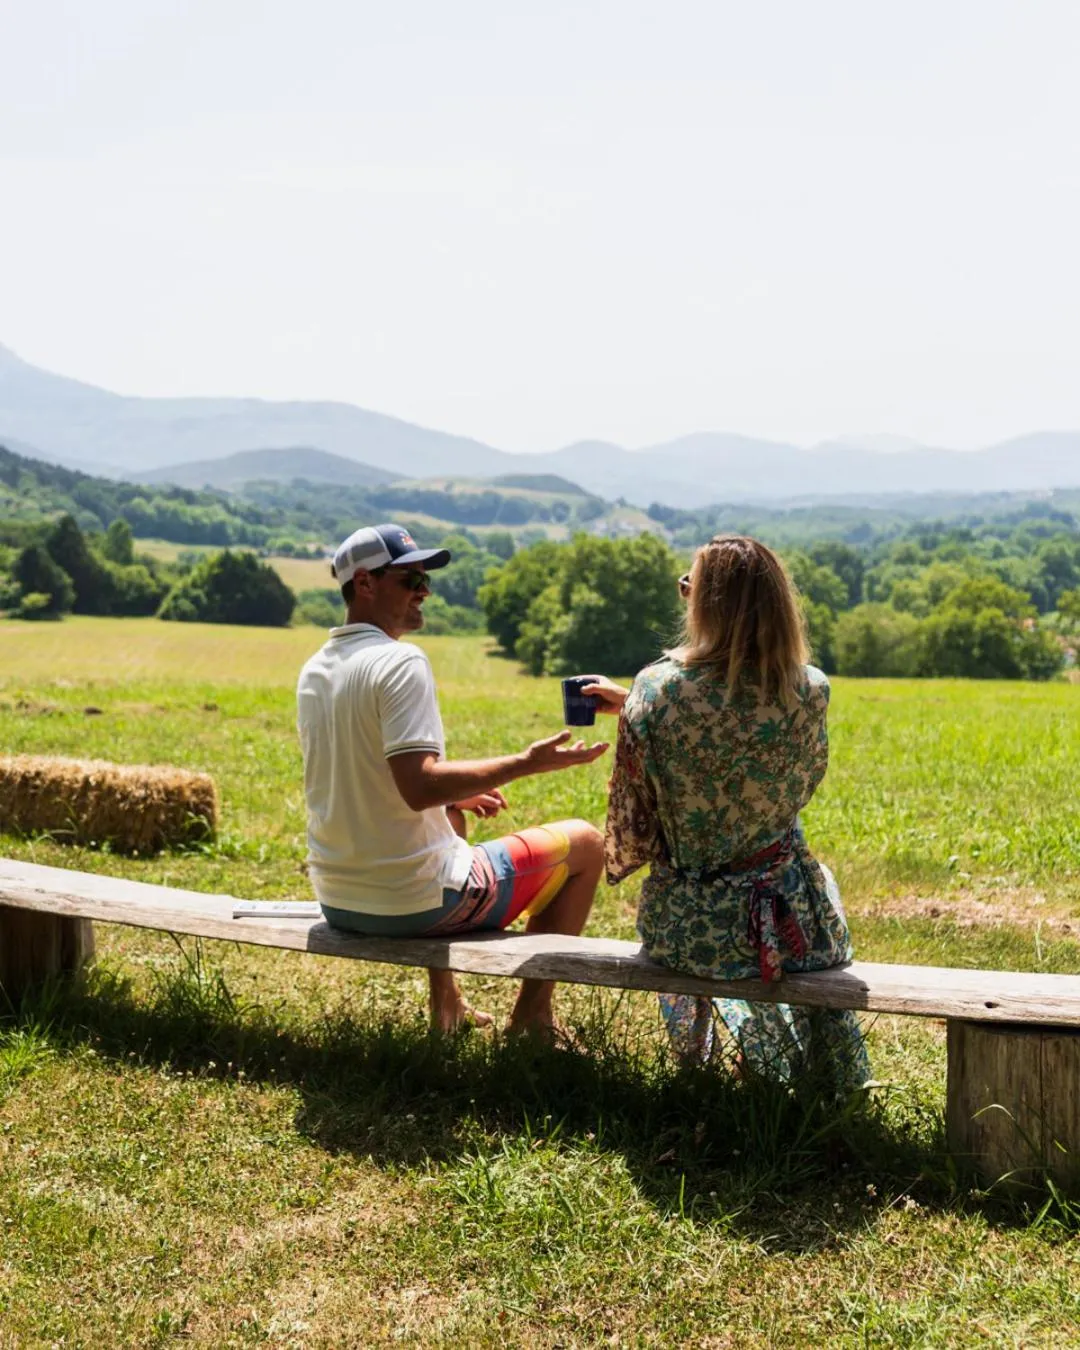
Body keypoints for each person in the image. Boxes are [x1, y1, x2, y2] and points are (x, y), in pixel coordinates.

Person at [296, 522, 609, 1036]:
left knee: (454, 819)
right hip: (412, 903)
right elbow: (419, 786)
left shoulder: (316, 667)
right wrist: (527, 761)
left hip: (340, 898)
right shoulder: (399, 661)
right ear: (365, 584)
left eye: (425, 579)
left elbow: (378, 778)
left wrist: (455, 795)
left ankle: (448, 1006)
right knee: (587, 843)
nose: (425, 590)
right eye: (409, 579)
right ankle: (531, 1019)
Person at [584, 535, 869, 1095]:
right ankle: (815, 1080)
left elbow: (631, 817)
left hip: (687, 925)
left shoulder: (656, 689)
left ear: (708, 602)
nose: (683, 596)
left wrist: (638, 714)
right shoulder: (809, 689)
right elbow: (803, 783)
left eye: (687, 587)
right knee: (811, 876)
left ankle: (702, 1074)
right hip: (788, 921)